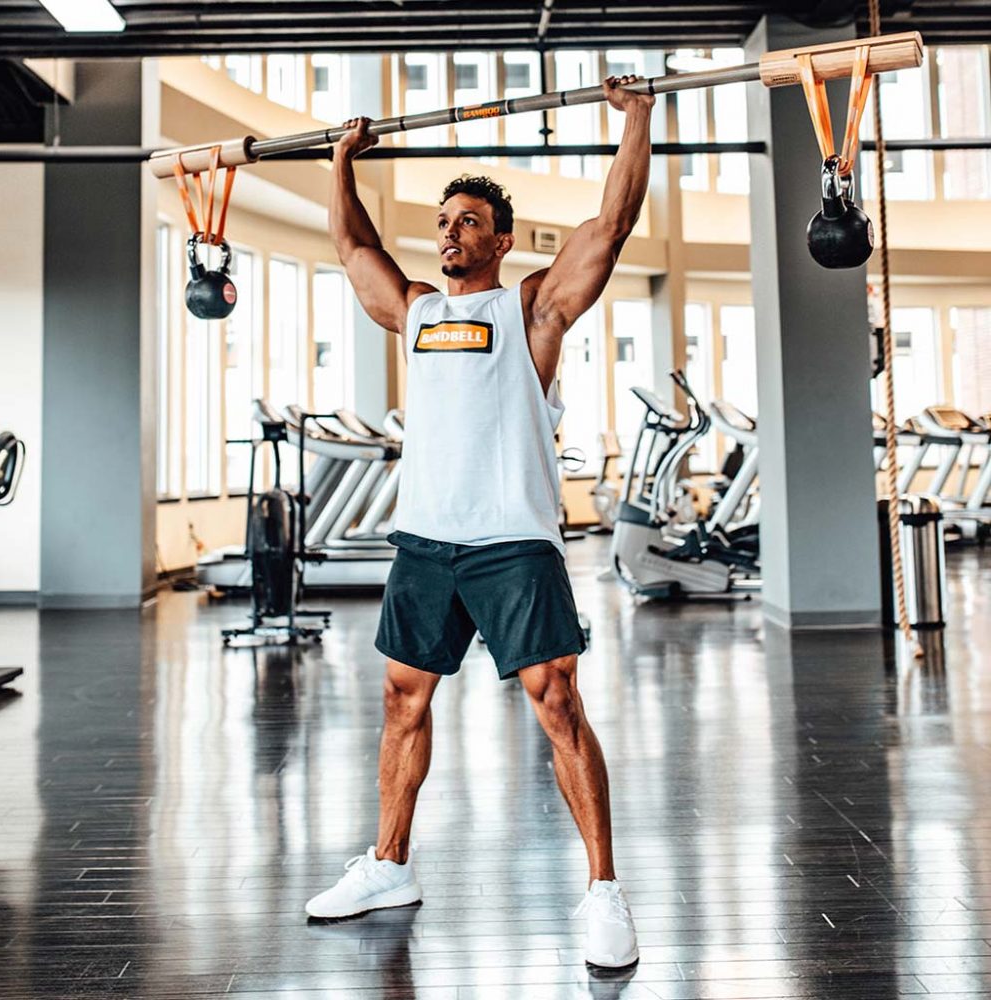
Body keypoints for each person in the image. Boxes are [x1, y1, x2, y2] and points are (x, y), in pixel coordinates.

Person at [305, 75, 654, 970]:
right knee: (401, 701)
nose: (451, 230)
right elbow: (351, 247)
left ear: (499, 240)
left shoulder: (530, 309)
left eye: (468, 221)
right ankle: (389, 864)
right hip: (426, 542)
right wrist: (341, 160)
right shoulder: (417, 310)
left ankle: (604, 888)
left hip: (512, 543)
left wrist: (638, 120)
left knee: (558, 704)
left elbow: (609, 229)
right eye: (444, 218)